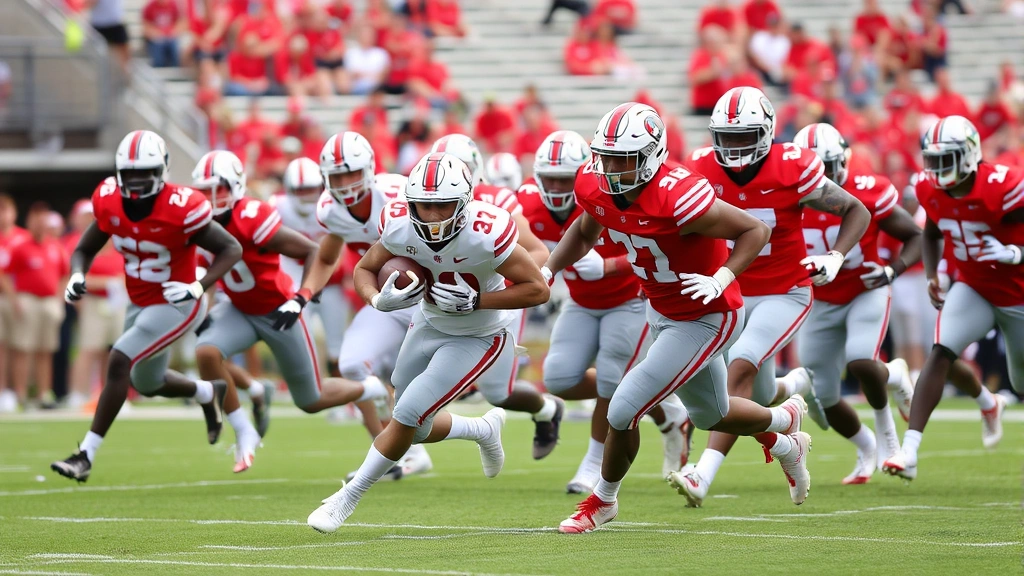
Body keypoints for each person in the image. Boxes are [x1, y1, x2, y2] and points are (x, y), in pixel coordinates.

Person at [548, 102, 811, 534]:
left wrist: (723, 276)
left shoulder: (678, 193)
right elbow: (584, 228)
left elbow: (755, 230)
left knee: (623, 406)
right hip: (663, 309)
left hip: (708, 316)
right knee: (711, 414)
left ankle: (602, 501)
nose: (611, 167)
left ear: (651, 156)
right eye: (606, 156)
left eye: (623, 159)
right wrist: (549, 269)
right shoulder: (596, 185)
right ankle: (785, 431)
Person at [307, 152, 551, 533]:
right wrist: (377, 300)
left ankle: (347, 498)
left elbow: (537, 289)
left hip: (479, 334)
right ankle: (481, 429)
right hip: (428, 323)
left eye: (443, 206)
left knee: (407, 414)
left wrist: (479, 300)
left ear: (464, 202)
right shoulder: (400, 224)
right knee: (414, 424)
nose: (433, 216)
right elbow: (365, 268)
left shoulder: (487, 232)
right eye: (425, 205)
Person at [672, 87, 870, 507]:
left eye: (745, 136)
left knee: (738, 368)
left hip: (785, 290)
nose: (735, 146)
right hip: (732, 290)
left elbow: (857, 210)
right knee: (755, 394)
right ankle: (793, 396)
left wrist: (836, 255)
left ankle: (702, 475)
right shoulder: (702, 166)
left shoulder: (791, 166)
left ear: (766, 133)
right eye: (727, 136)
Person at [51, 130, 243, 483]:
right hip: (140, 303)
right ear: (120, 173)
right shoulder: (109, 200)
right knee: (147, 381)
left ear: (163, 171)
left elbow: (231, 248)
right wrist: (78, 274)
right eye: (131, 174)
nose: (138, 182)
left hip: (177, 303)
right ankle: (206, 391)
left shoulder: (181, 206)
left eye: (146, 173)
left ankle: (85, 455)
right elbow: (84, 248)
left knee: (119, 358)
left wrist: (198, 285)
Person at [190, 150, 389, 472]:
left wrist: (300, 297)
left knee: (310, 400)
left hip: (277, 310)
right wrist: (204, 310)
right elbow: (207, 273)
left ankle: (371, 388)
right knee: (206, 353)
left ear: (237, 186)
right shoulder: (198, 224)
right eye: (204, 192)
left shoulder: (253, 214)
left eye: (219, 189)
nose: (212, 199)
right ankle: (244, 430)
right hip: (239, 309)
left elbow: (313, 250)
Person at [520, 130, 693, 493]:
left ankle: (594, 463)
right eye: (549, 177)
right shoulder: (528, 205)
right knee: (559, 379)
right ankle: (666, 411)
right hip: (581, 302)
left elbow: (658, 251)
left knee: (612, 383)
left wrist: (610, 267)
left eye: (564, 178)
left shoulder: (609, 194)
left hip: (628, 300)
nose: (555, 186)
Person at [884, 115, 1020, 481]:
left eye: (948, 158)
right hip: (973, 286)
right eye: (933, 159)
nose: (938, 168)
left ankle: (995, 404)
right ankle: (909, 451)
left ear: (970, 154)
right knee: (941, 350)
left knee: (1020, 382)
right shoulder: (931, 190)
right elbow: (929, 232)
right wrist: (933, 273)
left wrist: (1015, 253)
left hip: (1018, 293)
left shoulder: (1002, 184)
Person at [290, 133, 426, 479]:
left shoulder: (398, 192)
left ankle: (479, 430)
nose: (346, 184)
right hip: (385, 299)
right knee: (352, 365)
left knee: (415, 382)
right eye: (337, 176)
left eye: (352, 173)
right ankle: (389, 455)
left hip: (431, 297)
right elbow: (327, 256)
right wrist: (305, 293)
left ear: (368, 169)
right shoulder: (330, 210)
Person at [794, 122, 921, 484]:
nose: (824, 176)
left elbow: (913, 234)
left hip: (866, 289)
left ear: (843, 161)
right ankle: (867, 446)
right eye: (814, 168)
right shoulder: (786, 198)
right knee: (824, 398)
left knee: (863, 361)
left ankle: (890, 427)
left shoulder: (867, 190)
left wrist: (893, 269)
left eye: (828, 166)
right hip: (820, 298)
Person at [428, 134, 564, 459]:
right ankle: (407, 449)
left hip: (495, 298)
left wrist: (500, 284)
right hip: (442, 299)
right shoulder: (422, 203)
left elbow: (535, 251)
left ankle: (546, 410)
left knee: (497, 393)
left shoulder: (496, 200)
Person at [0, 202, 69, 409]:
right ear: (30, 221)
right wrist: (14, 299)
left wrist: (59, 297)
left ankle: (43, 394)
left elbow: (65, 274)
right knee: (22, 348)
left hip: (49, 302)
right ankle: (20, 395)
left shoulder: (55, 246)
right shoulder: (20, 245)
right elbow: (5, 273)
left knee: (45, 350)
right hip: (27, 300)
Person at [67, 201, 125, 411]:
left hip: (116, 305)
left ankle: (109, 395)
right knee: (88, 349)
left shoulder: (119, 248)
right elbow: (77, 278)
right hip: (93, 302)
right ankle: (78, 394)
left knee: (112, 352)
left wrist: (118, 283)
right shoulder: (85, 248)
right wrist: (106, 282)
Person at [0, 194, 30, 412]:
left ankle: (20, 392)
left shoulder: (24, 238)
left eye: (5, 210)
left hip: (21, 299)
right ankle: (2, 392)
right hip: (5, 298)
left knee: (20, 346)